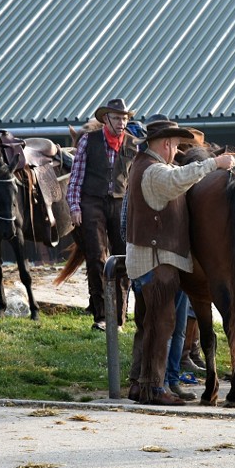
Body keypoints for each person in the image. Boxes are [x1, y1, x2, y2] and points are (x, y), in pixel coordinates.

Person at [125, 119, 235, 405]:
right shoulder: (153, 171)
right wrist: (215, 164)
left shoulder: (143, 166)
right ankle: (154, 387)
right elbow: (176, 179)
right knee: (162, 324)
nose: (175, 152)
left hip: (149, 260)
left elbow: (175, 174)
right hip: (158, 261)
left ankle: (139, 384)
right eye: (174, 146)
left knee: (148, 325)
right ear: (165, 144)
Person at [66, 98, 136, 331]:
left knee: (122, 257)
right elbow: (75, 177)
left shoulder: (133, 145)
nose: (121, 123)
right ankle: (101, 315)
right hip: (92, 201)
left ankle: (119, 316)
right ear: (105, 119)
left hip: (120, 203)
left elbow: (135, 182)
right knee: (96, 256)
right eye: (116, 118)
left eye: (124, 118)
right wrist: (75, 207)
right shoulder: (88, 140)